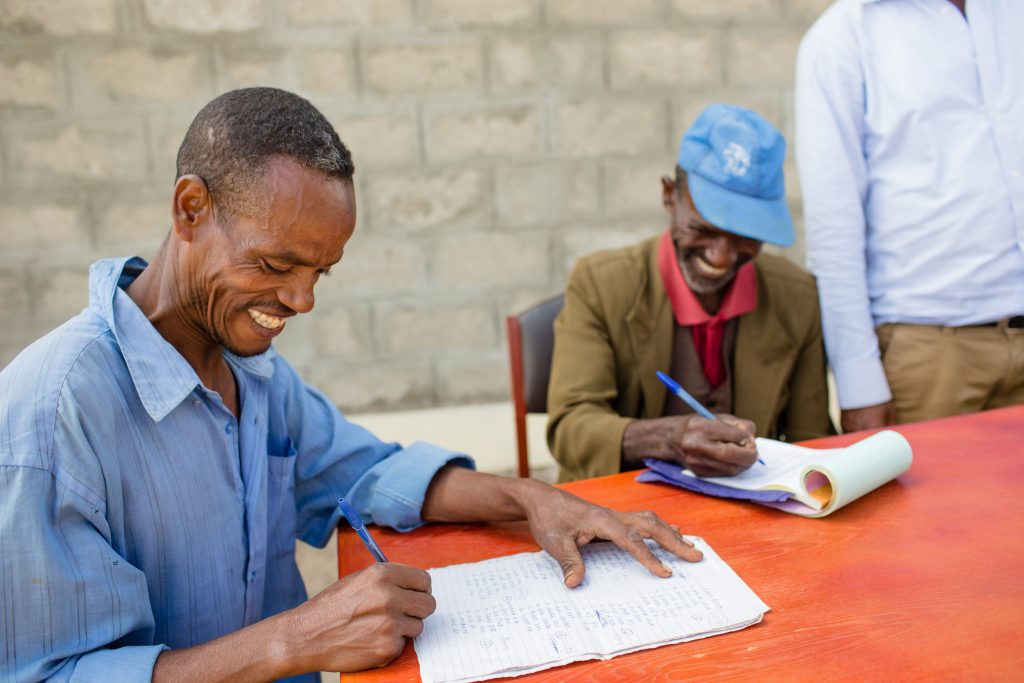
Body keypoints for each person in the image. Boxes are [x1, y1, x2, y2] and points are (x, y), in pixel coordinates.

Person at [0, 88, 702, 683]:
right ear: (190, 210)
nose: (301, 301)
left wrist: (530, 496)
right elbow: (50, 673)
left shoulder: (253, 369)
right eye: (277, 263)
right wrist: (294, 640)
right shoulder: (51, 414)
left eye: (320, 273)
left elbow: (366, 472)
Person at [547, 104, 832, 483]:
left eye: (746, 237)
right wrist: (670, 437)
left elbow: (810, 442)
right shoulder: (600, 284)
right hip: (620, 510)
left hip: (747, 516)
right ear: (669, 196)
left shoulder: (797, 297)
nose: (722, 257)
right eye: (705, 228)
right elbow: (570, 428)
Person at [795, 0, 1024, 432]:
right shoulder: (844, 35)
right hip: (927, 354)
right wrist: (859, 385)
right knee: (936, 501)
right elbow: (834, 227)